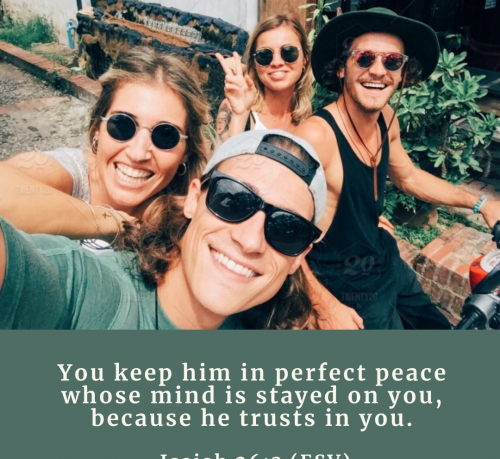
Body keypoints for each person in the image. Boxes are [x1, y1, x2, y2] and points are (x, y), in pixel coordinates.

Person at [295, 7, 500, 329]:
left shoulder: (386, 118)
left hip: (385, 258)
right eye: (364, 58)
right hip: (345, 283)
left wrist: (481, 203)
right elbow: (274, 229)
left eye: (392, 61)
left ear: (403, 73)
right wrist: (323, 306)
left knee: (441, 330)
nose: (378, 71)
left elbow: (408, 176)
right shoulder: (315, 136)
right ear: (341, 68)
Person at [0, 130, 326, 330]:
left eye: (288, 229)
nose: (250, 240)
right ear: (194, 199)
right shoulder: (86, 288)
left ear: (300, 257)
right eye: (233, 200)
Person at [0, 47, 210, 248]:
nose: (138, 153)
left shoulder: (183, 208)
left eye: (165, 135)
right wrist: (115, 222)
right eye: (122, 125)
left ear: (186, 152)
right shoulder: (73, 175)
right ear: (97, 129)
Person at [214, 14, 313, 145]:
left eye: (288, 52)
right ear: (254, 63)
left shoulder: (307, 118)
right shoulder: (236, 107)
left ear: (305, 58)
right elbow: (222, 158)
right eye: (265, 55)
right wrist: (240, 116)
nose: (277, 62)